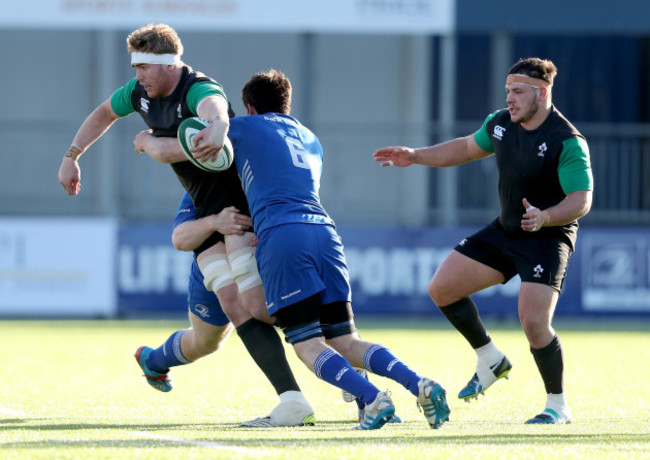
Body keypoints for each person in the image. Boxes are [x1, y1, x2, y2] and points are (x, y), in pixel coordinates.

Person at [57, 23, 314, 426]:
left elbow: (213, 107)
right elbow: (104, 113)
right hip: (205, 209)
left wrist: (209, 129)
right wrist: (72, 154)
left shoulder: (196, 88)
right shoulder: (139, 93)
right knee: (215, 330)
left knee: (261, 307)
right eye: (135, 66)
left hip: (246, 207)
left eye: (144, 66)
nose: (137, 75)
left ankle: (331, 384)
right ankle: (159, 361)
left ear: (168, 66)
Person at [374, 57, 593, 425]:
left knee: (533, 321)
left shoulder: (566, 140)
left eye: (518, 91)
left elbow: (581, 201)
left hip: (548, 236)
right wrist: (415, 156)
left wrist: (546, 217)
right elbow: (463, 149)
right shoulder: (500, 123)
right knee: (442, 288)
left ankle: (557, 406)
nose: (510, 98)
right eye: (507, 90)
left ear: (541, 94)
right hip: (507, 230)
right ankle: (490, 358)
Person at [228, 69, 451, 431]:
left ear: (250, 108)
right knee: (345, 340)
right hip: (325, 232)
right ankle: (418, 384)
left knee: (307, 343)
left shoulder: (244, 127)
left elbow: (204, 138)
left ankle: (372, 398)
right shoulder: (309, 137)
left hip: (285, 234)